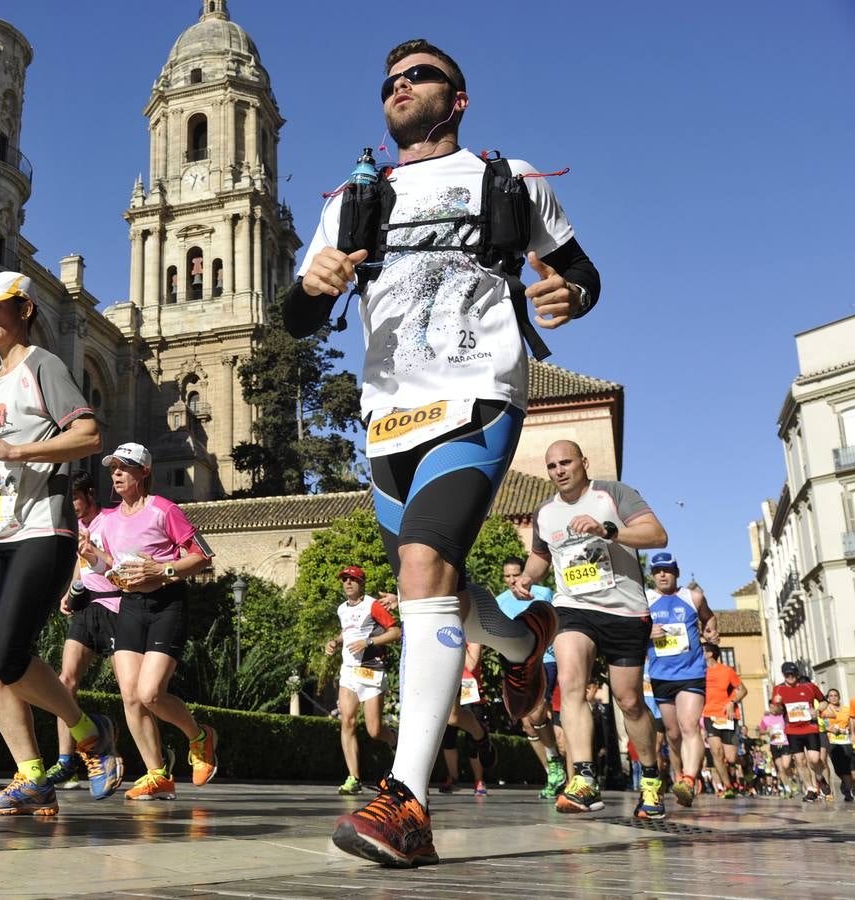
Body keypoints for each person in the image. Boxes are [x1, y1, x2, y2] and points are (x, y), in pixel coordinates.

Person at [286, 36, 598, 868]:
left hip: (477, 392)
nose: (399, 88)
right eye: (389, 81)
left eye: (418, 77)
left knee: (423, 568)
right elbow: (297, 320)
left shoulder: (508, 179)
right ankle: (523, 644)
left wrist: (570, 293)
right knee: (437, 587)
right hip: (386, 415)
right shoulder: (354, 196)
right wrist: (310, 291)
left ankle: (406, 804)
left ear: (455, 99)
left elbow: (579, 274)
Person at [0, 271, 121, 815]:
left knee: (8, 655)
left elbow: (89, 435)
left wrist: (16, 453)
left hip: (44, 528)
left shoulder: (45, 365)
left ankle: (90, 732)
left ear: (24, 310)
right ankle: (32, 774)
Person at [514, 440, 669, 819]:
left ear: (584, 462)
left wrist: (609, 530)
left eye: (566, 462)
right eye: (552, 466)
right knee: (569, 681)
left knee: (629, 700)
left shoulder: (613, 494)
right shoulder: (546, 513)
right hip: (574, 608)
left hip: (626, 612)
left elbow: (656, 535)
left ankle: (650, 779)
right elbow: (540, 556)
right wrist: (528, 578)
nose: (559, 471)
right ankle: (583, 778)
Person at [79, 442, 217, 801]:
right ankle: (158, 774)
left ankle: (200, 737)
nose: (117, 474)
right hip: (130, 606)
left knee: (151, 693)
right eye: (113, 469)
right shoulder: (106, 520)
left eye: (125, 467)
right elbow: (112, 567)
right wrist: (94, 557)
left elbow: (202, 555)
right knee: (130, 696)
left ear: (144, 472)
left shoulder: (164, 510)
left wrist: (163, 568)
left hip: (167, 605)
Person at [44, 471, 122, 790]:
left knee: (133, 692)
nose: (73, 505)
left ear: (90, 494)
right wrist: (68, 592)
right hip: (86, 607)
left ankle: (158, 764)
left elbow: (121, 562)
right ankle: (65, 761)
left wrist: (96, 555)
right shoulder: (77, 527)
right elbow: (81, 564)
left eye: (76, 498)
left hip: (116, 606)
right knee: (65, 682)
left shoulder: (113, 522)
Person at [644, 552, 717, 808]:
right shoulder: (644, 600)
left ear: (676, 572)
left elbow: (709, 617)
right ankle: (679, 774)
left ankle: (688, 779)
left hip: (691, 673)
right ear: (652, 575)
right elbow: (629, 631)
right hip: (661, 676)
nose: (662, 574)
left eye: (667, 570)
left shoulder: (692, 597)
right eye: (657, 571)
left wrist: (711, 628)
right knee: (673, 733)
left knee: (689, 726)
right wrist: (645, 632)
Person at [323, 565, 401, 795]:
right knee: (347, 721)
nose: (347, 583)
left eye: (352, 580)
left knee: (375, 730)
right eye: (344, 579)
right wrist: (335, 642)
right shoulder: (341, 609)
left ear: (361, 583)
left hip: (371, 670)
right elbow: (347, 632)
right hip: (348, 670)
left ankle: (396, 740)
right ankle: (353, 778)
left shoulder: (372, 605)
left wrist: (368, 643)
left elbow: (396, 632)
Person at [494, 558, 566, 799]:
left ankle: (556, 761)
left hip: (545, 660)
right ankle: (553, 773)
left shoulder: (544, 593)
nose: (512, 580)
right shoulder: (500, 602)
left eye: (516, 574)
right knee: (526, 723)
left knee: (536, 714)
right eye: (507, 576)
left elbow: (561, 624)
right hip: (517, 665)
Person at [436, 640, 498, 796]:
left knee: (473, 742)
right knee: (448, 737)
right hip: (450, 689)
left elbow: (471, 665)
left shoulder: (473, 638)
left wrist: (457, 642)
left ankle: (479, 780)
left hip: (471, 692)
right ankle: (453, 777)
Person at [771, 662, 826, 802]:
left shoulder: (809, 686)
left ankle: (819, 778)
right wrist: (776, 704)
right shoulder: (778, 689)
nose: (791, 677)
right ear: (783, 675)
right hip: (792, 730)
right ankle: (810, 789)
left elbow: (823, 701)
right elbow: (775, 712)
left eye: (793, 674)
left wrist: (818, 710)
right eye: (787, 674)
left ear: (797, 673)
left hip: (810, 728)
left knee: (814, 759)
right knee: (800, 761)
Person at [703, 643, 747, 798]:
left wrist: (732, 702)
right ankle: (728, 786)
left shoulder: (727, 671)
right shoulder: (699, 672)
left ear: (709, 654)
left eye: (702, 651)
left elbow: (743, 690)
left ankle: (742, 764)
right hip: (709, 715)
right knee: (716, 752)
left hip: (729, 717)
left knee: (731, 757)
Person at [818, 688, 853, 801]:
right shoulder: (826, 711)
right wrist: (832, 729)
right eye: (831, 696)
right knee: (839, 769)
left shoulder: (846, 710)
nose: (833, 697)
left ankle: (848, 792)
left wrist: (849, 730)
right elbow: (824, 725)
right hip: (832, 742)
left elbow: (852, 722)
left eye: (836, 695)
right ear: (828, 698)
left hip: (847, 741)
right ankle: (846, 785)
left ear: (839, 697)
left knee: (849, 767)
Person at [760, 701, 795, 797]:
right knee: (780, 768)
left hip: (785, 743)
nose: (773, 709)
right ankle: (788, 790)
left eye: (774, 707)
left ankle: (791, 779)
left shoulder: (783, 717)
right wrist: (766, 731)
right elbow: (761, 730)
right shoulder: (766, 718)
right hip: (774, 745)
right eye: (771, 707)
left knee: (786, 766)